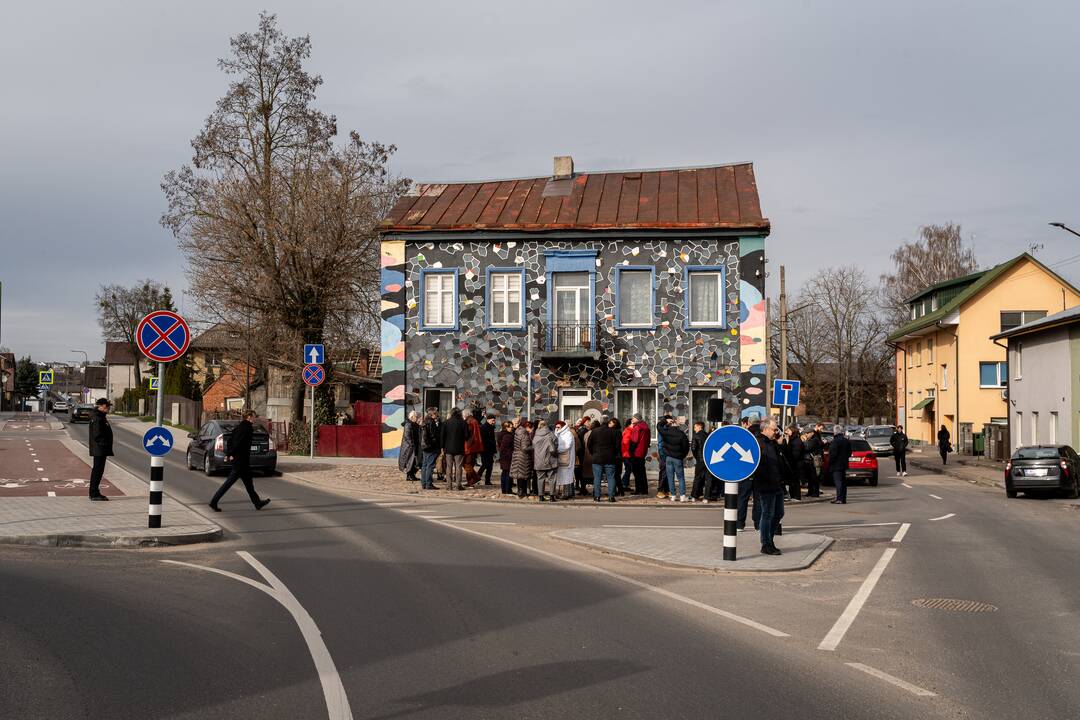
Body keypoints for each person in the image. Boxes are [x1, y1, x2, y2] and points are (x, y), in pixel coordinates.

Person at [209, 410, 271, 511]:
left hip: (242, 461)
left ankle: (257, 502)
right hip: (241, 461)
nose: (255, 418)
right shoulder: (247, 428)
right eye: (254, 416)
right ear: (249, 417)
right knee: (228, 483)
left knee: (249, 484)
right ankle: (213, 501)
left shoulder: (239, 426)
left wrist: (230, 453)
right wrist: (230, 454)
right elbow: (239, 442)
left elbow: (230, 441)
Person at [752, 418, 786, 555]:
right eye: (774, 429)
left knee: (779, 513)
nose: (776, 432)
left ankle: (769, 540)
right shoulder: (758, 443)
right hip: (765, 484)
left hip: (777, 483)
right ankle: (766, 544)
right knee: (767, 514)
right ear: (765, 429)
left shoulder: (772, 443)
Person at [587, 416, 620, 502]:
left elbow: (589, 444)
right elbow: (617, 446)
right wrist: (614, 454)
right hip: (610, 458)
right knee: (611, 477)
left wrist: (593, 453)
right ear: (608, 422)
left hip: (597, 457)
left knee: (597, 478)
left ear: (601, 422)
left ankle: (597, 496)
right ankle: (611, 497)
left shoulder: (594, 431)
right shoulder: (614, 432)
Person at [737, 414, 761, 529]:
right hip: (759, 472)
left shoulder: (744, 435)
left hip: (745, 472)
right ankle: (758, 524)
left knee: (742, 498)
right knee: (758, 499)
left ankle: (739, 524)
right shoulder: (762, 435)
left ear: (749, 423)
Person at [87, 397, 113, 501]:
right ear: (101, 406)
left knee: (98, 470)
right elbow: (97, 434)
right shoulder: (97, 417)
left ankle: (95, 492)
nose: (108, 409)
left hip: (100, 448)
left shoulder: (100, 416)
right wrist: (104, 443)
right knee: (97, 471)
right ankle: (94, 494)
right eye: (107, 407)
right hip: (99, 449)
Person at [659, 417, 690, 502]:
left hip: (669, 457)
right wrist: (682, 455)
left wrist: (665, 421)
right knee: (680, 477)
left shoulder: (666, 432)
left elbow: (658, 426)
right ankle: (682, 496)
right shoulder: (681, 434)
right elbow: (686, 447)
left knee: (670, 477)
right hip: (678, 458)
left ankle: (673, 495)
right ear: (677, 426)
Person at [441, 407, 468, 490]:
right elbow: (467, 436)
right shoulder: (463, 423)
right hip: (459, 448)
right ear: (459, 413)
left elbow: (442, 436)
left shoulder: (446, 422)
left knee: (449, 467)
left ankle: (449, 485)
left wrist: (442, 447)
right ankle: (458, 485)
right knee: (458, 467)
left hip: (448, 448)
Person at [533, 420, 559, 501]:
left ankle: (541, 496)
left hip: (539, 461)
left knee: (540, 479)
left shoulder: (536, 435)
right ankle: (552, 496)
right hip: (550, 460)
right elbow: (556, 445)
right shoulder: (550, 434)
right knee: (552, 479)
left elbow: (534, 447)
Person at [627, 414, 650, 495]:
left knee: (637, 472)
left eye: (633, 418)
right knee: (642, 472)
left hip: (636, 453)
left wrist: (630, 451)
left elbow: (634, 441)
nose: (632, 419)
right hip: (643, 452)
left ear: (637, 419)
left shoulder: (637, 427)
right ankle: (644, 489)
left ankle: (638, 490)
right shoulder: (646, 427)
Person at [419, 407, 442, 490]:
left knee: (425, 465)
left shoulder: (424, 421)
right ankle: (428, 484)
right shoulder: (431, 422)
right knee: (430, 465)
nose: (436, 415)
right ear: (432, 414)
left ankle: (424, 483)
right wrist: (435, 443)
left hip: (425, 447)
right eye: (435, 413)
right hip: (431, 447)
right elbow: (433, 435)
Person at [510, 417, 533, 498]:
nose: (513, 425)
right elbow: (525, 447)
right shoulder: (523, 433)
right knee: (523, 475)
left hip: (517, 455)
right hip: (523, 456)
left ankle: (520, 491)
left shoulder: (517, 432)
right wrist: (533, 447)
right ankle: (523, 491)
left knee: (520, 475)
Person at [829, 427, 852, 504]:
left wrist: (830, 463)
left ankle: (839, 499)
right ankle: (843, 499)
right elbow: (849, 453)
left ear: (835, 433)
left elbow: (833, 454)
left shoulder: (835, 442)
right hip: (844, 464)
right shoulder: (846, 441)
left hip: (836, 465)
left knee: (838, 482)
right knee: (843, 482)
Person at [689, 421, 712, 502]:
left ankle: (694, 496)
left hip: (700, 460)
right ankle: (706, 497)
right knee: (708, 479)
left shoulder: (696, 436)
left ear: (699, 426)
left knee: (697, 478)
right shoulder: (708, 435)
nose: (694, 429)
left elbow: (693, 448)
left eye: (695, 427)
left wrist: (697, 458)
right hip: (708, 460)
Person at [554, 420, 576, 499]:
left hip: (566, 458)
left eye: (559, 427)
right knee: (560, 476)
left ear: (563, 427)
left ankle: (566, 493)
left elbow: (567, 446)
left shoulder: (568, 434)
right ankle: (560, 492)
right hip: (559, 458)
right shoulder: (556, 433)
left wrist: (557, 449)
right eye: (556, 427)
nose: (557, 428)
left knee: (566, 476)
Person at [803, 423, 825, 498]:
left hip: (814, 461)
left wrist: (804, 442)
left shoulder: (814, 439)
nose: (806, 435)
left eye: (807, 433)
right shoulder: (812, 439)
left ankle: (815, 493)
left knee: (814, 477)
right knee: (810, 478)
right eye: (805, 433)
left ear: (811, 433)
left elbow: (807, 448)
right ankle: (810, 492)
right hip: (809, 461)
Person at [462, 409, 483, 487]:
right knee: (469, 464)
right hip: (473, 446)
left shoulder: (470, 422)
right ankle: (470, 481)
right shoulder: (474, 421)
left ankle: (475, 478)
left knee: (467, 464)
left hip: (469, 446)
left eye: (463, 415)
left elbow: (469, 435)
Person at [783, 425, 804, 501]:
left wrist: (790, 461)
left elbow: (795, 454)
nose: (786, 432)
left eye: (788, 431)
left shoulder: (796, 441)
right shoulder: (792, 439)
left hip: (796, 465)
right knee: (792, 481)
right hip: (793, 464)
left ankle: (796, 496)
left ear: (792, 431)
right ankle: (793, 496)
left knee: (795, 481)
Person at [399, 411, 420, 482]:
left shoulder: (414, 424)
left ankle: (412, 475)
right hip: (408, 447)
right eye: (416, 417)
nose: (417, 418)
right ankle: (409, 475)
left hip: (413, 445)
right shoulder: (408, 425)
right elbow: (407, 436)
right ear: (412, 417)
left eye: (417, 417)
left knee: (414, 462)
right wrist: (412, 444)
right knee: (409, 461)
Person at [655, 415, 671, 499]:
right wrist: (662, 454)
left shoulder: (668, 427)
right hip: (663, 452)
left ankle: (666, 490)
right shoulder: (663, 428)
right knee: (663, 472)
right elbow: (661, 443)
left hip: (667, 452)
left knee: (668, 472)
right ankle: (660, 490)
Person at [497, 420, 515, 494]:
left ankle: (504, 490)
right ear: (506, 427)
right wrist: (510, 454)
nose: (512, 428)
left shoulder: (501, 434)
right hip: (507, 457)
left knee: (504, 473)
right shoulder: (508, 436)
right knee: (508, 474)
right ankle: (507, 490)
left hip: (503, 457)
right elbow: (504, 447)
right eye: (511, 427)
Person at [480, 414, 497, 485]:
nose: (494, 422)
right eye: (492, 420)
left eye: (494, 420)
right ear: (488, 420)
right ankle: (477, 477)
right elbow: (485, 439)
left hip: (490, 450)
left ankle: (487, 480)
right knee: (485, 465)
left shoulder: (491, 427)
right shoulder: (484, 427)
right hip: (485, 449)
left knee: (490, 466)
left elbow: (492, 439)